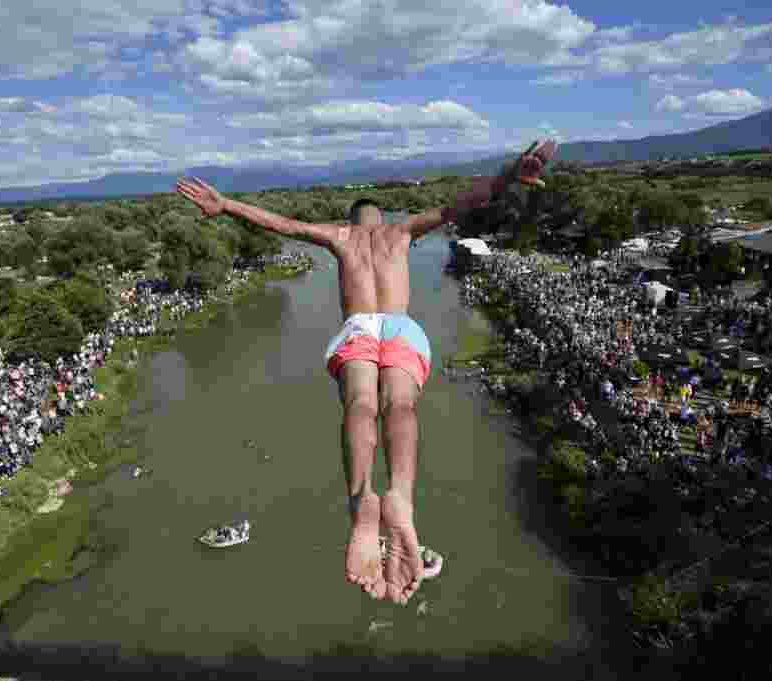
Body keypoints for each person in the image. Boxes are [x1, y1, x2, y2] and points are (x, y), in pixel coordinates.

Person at [176, 139, 557, 604]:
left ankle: (362, 500)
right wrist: (510, 175)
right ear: (380, 215)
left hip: (358, 328)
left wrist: (227, 205)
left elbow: (283, 223)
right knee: (401, 405)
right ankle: (401, 495)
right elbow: (471, 200)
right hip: (399, 327)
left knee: (360, 404)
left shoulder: (339, 236)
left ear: (352, 218)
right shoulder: (403, 232)